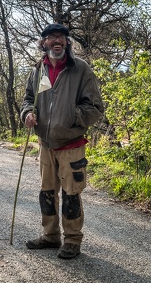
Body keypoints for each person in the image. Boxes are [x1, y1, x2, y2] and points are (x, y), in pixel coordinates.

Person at [20, 23, 104, 259]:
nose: (57, 41)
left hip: (71, 145)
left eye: (61, 37)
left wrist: (70, 119)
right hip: (45, 145)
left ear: (68, 42)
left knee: (71, 194)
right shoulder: (38, 71)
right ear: (43, 43)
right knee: (47, 192)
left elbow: (96, 107)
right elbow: (27, 99)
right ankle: (50, 236)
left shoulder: (81, 69)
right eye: (51, 37)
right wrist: (28, 114)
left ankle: (73, 241)